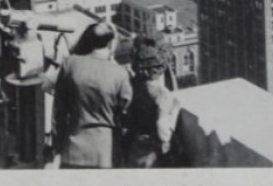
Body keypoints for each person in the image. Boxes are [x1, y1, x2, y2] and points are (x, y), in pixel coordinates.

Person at [50, 21, 132, 169]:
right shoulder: (119, 73)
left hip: (72, 150)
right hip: (105, 153)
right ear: (110, 44)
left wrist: (57, 149)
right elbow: (125, 111)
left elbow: (58, 114)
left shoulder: (70, 64)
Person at [122, 35, 179, 168]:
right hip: (151, 152)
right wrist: (175, 110)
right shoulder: (161, 93)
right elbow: (163, 131)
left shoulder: (131, 84)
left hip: (134, 145)